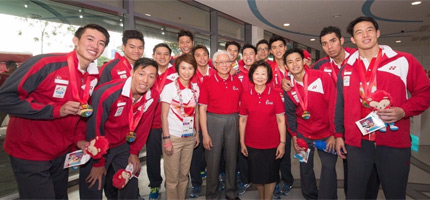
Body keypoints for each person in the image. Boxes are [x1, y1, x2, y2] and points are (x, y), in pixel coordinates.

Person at [0, 24, 109, 199]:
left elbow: (80, 112)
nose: (95, 46)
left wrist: (79, 141)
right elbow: (5, 98)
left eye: (101, 43)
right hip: (31, 152)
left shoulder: (92, 76)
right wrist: (55, 110)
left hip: (61, 153)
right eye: (90, 39)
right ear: (76, 40)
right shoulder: (46, 63)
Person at [335, 16, 430, 199]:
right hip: (358, 144)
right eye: (359, 32)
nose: (365, 35)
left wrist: (403, 111)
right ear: (353, 40)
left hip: (393, 143)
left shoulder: (403, 61)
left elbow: (425, 93)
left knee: (394, 194)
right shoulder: (347, 68)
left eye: (369, 30)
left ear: (378, 33)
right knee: (355, 195)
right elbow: (341, 104)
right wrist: (339, 135)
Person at [313, 26, 380, 198]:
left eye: (333, 41)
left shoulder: (358, 59)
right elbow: (301, 77)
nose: (330, 47)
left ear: (342, 40)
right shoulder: (320, 66)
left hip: (369, 126)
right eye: (325, 44)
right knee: (351, 175)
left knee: (370, 175)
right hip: (341, 128)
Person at [78, 57, 158, 199]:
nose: (145, 80)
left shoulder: (152, 96)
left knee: (130, 183)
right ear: (132, 72)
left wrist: (134, 152)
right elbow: (94, 128)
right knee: (93, 184)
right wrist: (98, 162)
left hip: (124, 144)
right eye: (141, 74)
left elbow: (144, 126)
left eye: (151, 76)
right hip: (98, 145)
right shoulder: (107, 93)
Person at [283, 48, 338, 199]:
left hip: (326, 134)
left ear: (304, 61)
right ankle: (310, 196)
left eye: (297, 60)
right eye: (290, 62)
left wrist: (335, 134)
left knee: (328, 168)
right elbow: (290, 114)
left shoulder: (321, 77)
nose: (294, 64)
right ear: (286, 66)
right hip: (303, 134)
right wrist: (294, 136)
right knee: (305, 168)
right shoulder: (288, 87)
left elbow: (334, 105)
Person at [97, 29, 145, 199]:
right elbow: (100, 99)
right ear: (123, 47)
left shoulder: (143, 68)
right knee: (108, 173)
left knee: (128, 171)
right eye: (132, 47)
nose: (136, 51)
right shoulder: (110, 68)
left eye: (140, 47)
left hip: (129, 131)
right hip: (109, 132)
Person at [239, 60, 286, 200]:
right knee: (258, 176)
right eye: (257, 73)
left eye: (263, 74)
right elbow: (242, 120)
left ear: (268, 76)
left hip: (272, 143)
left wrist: (282, 143)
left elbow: (281, 120)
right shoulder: (246, 95)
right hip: (252, 143)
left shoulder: (275, 95)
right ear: (251, 75)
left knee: (271, 175)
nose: (260, 77)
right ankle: (261, 197)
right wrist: (242, 142)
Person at [199, 50, 243, 199]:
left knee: (232, 159)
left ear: (231, 64)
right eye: (221, 62)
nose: (224, 65)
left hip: (233, 120)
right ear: (215, 64)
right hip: (213, 121)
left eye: (227, 62)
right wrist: (205, 134)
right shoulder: (207, 82)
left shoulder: (237, 81)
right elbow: (202, 109)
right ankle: (212, 194)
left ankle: (231, 193)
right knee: (213, 161)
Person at [161, 54, 199, 199]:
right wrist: (166, 139)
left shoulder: (195, 88)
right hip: (173, 137)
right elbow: (163, 115)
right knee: (172, 178)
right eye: (183, 68)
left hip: (189, 137)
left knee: (184, 175)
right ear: (177, 69)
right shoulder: (169, 88)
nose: (186, 71)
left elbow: (195, 112)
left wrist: (197, 133)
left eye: (190, 68)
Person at [146, 43, 177, 200]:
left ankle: (171, 183)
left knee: (171, 157)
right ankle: (155, 185)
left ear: (170, 57)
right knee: (152, 157)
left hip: (171, 123)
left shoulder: (177, 73)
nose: (162, 57)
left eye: (166, 54)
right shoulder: (148, 71)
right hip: (151, 123)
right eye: (159, 53)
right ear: (153, 56)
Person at [268, 34, 294, 198]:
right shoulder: (268, 67)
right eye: (274, 47)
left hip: (293, 114)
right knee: (274, 150)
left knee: (288, 147)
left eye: (280, 46)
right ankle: (275, 182)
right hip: (274, 115)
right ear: (271, 50)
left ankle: (288, 180)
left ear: (285, 48)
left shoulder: (293, 64)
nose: (278, 50)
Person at [189, 45, 215, 198]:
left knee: (213, 150)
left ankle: (214, 179)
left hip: (214, 117)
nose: (202, 58)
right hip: (195, 119)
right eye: (198, 55)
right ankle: (196, 183)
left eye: (204, 54)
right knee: (196, 153)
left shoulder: (216, 72)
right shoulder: (190, 75)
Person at [235, 43, 257, 195]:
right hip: (241, 116)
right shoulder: (236, 73)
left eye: (251, 53)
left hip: (259, 116)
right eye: (246, 54)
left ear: (256, 56)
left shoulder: (262, 72)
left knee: (258, 149)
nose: (248, 56)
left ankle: (260, 178)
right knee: (242, 148)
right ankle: (244, 179)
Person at [0, 60, 18, 125]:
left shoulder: (18, 76)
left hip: (13, 102)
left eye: (16, 65)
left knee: (15, 122)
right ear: (8, 67)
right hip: (3, 102)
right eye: (14, 65)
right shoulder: (2, 76)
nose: (16, 67)